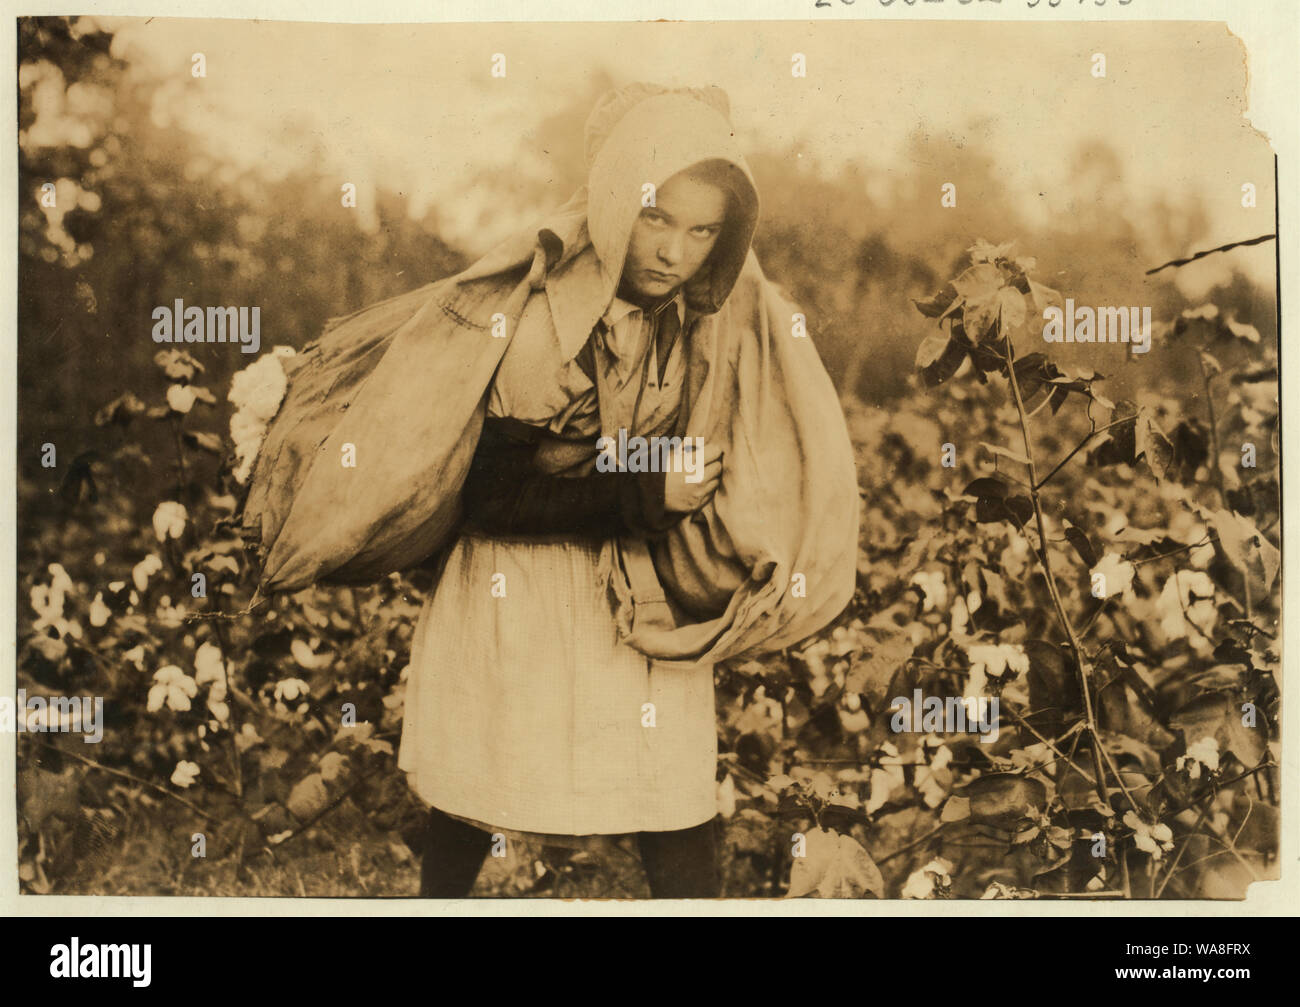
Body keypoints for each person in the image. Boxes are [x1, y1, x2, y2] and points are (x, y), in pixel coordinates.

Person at [396, 84, 765, 898]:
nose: (676, 250)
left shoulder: (692, 320)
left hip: (629, 583)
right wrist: (642, 492)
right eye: (656, 218)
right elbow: (489, 496)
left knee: (671, 780)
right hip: (517, 581)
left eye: (703, 230)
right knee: (480, 777)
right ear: (610, 204)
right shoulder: (544, 320)